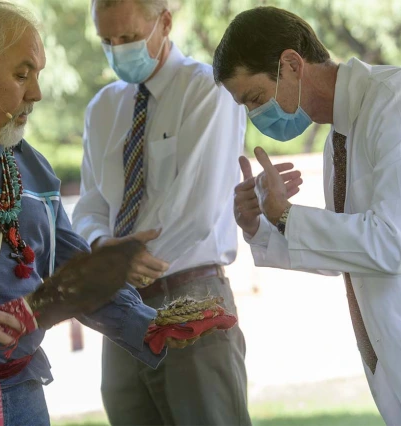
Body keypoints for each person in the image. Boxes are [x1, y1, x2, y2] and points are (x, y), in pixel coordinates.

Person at [0, 2, 172, 425]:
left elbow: (71, 274)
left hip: (25, 392)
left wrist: (154, 325)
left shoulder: (33, 169)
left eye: (38, 74)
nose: (37, 93)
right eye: (21, 74)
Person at [213, 5, 401, 426]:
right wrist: (261, 225)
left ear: (292, 64)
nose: (255, 117)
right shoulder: (339, 139)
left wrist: (287, 217)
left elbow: (393, 245)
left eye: (256, 99)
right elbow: (352, 250)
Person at [71, 0, 251, 424]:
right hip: (120, 305)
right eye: (107, 41)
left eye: (128, 38)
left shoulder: (208, 89)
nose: (117, 50)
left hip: (190, 296)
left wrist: (126, 264)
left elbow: (199, 206)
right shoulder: (102, 109)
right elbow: (92, 204)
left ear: (165, 22)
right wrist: (101, 247)